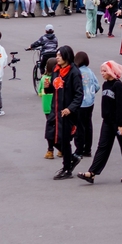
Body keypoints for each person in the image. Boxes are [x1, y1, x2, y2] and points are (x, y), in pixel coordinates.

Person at [81, 60, 122, 184]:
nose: (102, 73)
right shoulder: (105, 85)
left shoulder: (118, 86)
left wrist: (121, 125)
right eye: (101, 71)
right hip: (107, 121)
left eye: (105, 71)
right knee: (102, 147)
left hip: (118, 123)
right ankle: (92, 173)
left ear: (112, 71)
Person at [41, 46, 83, 180]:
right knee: (50, 136)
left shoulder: (74, 72)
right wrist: (48, 89)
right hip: (55, 110)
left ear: (66, 56)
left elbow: (79, 94)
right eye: (57, 55)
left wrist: (70, 108)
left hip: (66, 113)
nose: (57, 57)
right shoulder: (56, 70)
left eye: (59, 55)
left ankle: (67, 168)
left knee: (64, 140)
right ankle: (71, 159)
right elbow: (55, 89)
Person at [74, 51, 99, 159]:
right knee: (88, 125)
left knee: (79, 127)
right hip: (90, 102)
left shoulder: (76, 72)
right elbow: (97, 86)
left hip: (79, 103)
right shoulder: (90, 71)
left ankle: (79, 149)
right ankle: (87, 149)